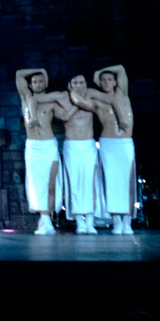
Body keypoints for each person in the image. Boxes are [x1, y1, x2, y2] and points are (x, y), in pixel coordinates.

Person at [69, 64, 136, 235]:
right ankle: (117, 221)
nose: (106, 82)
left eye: (109, 79)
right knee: (111, 183)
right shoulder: (98, 101)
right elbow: (78, 101)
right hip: (108, 143)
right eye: (103, 80)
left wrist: (98, 72)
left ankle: (127, 221)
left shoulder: (122, 93)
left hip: (125, 142)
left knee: (127, 182)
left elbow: (121, 68)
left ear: (115, 82)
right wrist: (72, 89)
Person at [16, 68, 75, 234]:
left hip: (49, 145)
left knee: (51, 184)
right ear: (30, 85)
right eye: (35, 82)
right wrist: (41, 70)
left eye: (41, 81)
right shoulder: (25, 98)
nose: (38, 84)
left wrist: (77, 105)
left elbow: (65, 116)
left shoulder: (51, 103)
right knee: (36, 185)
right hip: (33, 147)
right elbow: (19, 74)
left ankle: (47, 220)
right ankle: (44, 220)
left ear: (45, 83)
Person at [62, 74, 101, 234]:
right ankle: (79, 222)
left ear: (86, 83)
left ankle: (90, 221)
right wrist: (75, 101)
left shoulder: (91, 96)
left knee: (90, 182)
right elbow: (64, 116)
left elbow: (105, 101)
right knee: (74, 182)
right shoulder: (63, 98)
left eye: (82, 82)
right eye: (75, 83)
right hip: (71, 145)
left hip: (88, 144)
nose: (79, 85)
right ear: (70, 85)